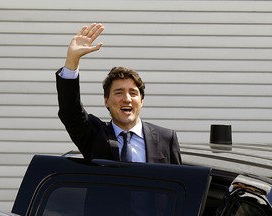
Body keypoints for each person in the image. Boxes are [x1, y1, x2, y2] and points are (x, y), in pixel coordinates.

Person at [56, 23, 182, 164]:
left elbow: (179, 182)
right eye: (119, 93)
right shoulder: (95, 135)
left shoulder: (166, 138)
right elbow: (71, 112)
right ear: (106, 101)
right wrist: (72, 60)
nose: (127, 99)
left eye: (133, 93)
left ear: (142, 100)